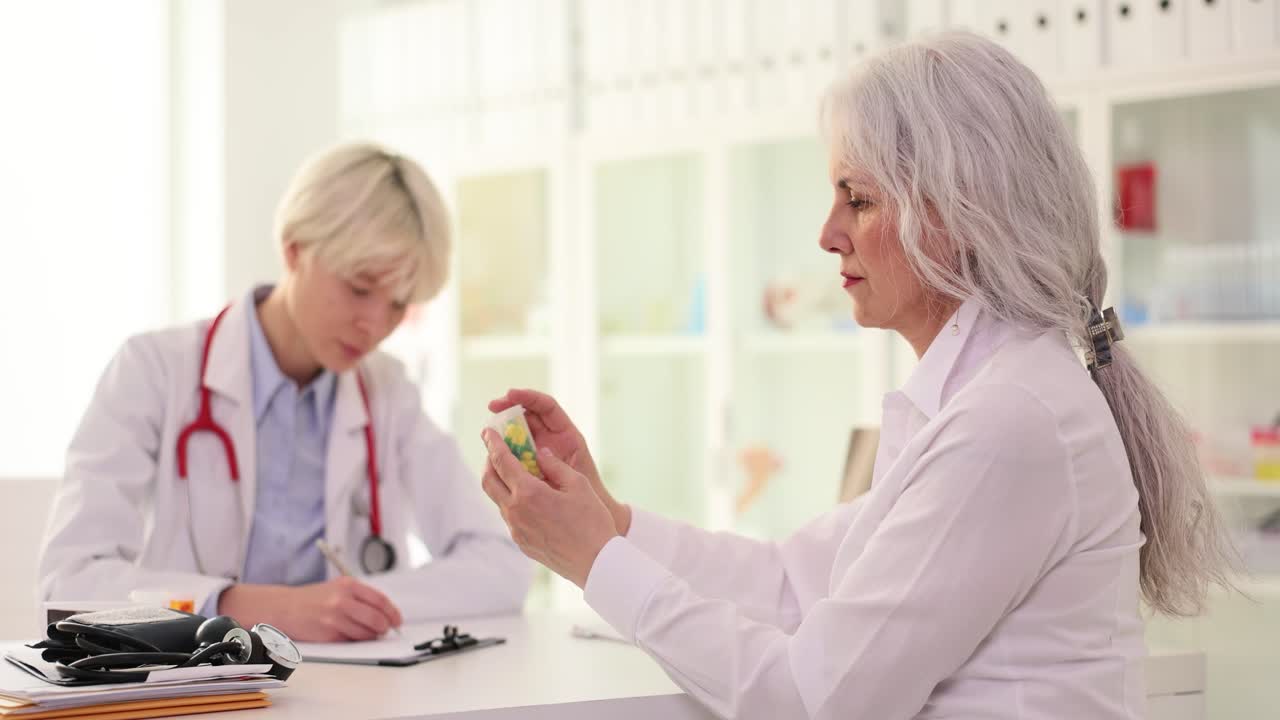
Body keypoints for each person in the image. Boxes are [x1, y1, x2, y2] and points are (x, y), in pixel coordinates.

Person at [479, 32, 1236, 719]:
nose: (827, 233)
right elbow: (789, 584)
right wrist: (610, 522)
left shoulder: (1013, 420)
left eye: (859, 199)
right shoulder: (976, 399)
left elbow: (814, 701)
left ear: (959, 214)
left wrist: (596, 562)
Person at [39, 142, 531, 642]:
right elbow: (70, 582)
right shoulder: (154, 370)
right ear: (294, 247)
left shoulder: (387, 392)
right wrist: (245, 607)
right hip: (190, 689)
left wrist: (352, 606)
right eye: (360, 288)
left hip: (349, 690)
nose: (375, 324)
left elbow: (500, 567)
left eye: (398, 304)